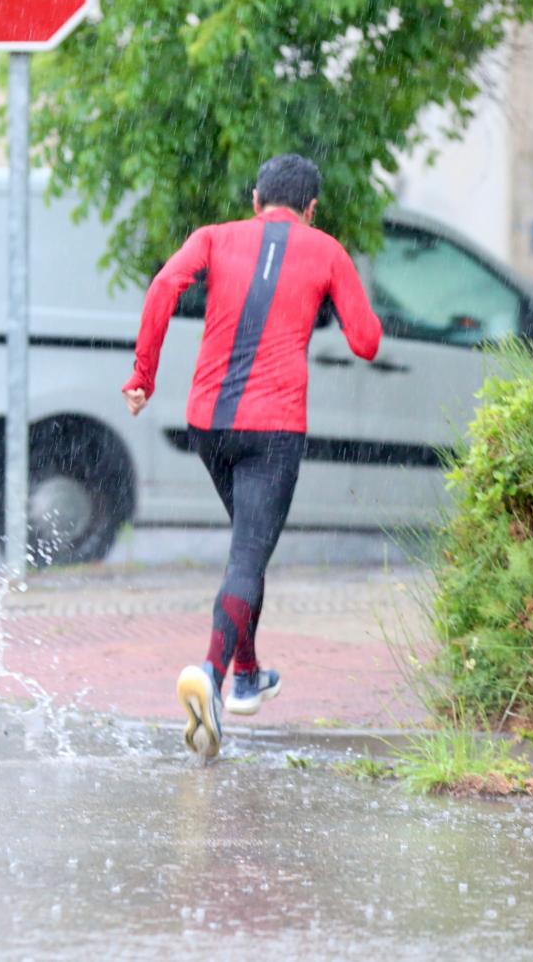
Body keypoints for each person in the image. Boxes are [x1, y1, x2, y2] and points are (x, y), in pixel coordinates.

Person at [122, 154, 382, 759]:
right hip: (273, 430)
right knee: (247, 554)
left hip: (208, 423)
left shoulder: (213, 236)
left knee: (250, 545)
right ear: (311, 208)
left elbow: (163, 286)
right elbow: (366, 343)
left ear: (256, 197)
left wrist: (143, 375)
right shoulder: (326, 250)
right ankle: (211, 676)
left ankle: (246, 673)